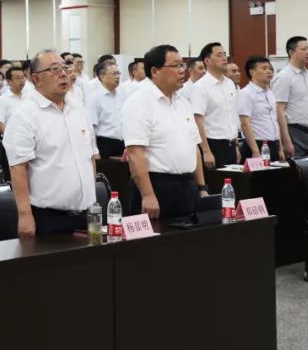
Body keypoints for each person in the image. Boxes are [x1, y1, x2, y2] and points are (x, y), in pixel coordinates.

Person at [3, 50, 97, 237]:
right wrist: (24, 215)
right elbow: (18, 168)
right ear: (36, 79)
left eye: (64, 68)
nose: (63, 74)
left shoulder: (78, 109)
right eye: (54, 69)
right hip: (48, 216)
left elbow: (91, 157)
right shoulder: (25, 115)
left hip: (86, 212)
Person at [122, 44, 207, 220]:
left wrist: (201, 188)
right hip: (157, 187)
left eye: (182, 65)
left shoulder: (182, 102)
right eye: (176, 65)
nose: (182, 70)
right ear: (155, 71)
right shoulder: (138, 102)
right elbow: (135, 153)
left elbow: (194, 147)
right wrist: (147, 195)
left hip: (187, 186)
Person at [190, 42, 240, 170]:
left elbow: (232, 117)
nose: (224, 58)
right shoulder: (200, 87)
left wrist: (235, 147)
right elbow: (197, 120)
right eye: (219, 55)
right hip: (213, 144)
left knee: (234, 181)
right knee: (217, 181)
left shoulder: (230, 84)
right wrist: (206, 151)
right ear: (207, 61)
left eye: (224, 54)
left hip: (231, 144)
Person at [272, 36, 308, 157]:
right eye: (304, 49)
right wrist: (286, 141)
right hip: (294, 131)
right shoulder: (284, 77)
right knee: (297, 166)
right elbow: (279, 110)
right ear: (291, 52)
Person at [238, 56, 284, 161]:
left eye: (270, 68)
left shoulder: (270, 93)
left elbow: (274, 122)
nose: (269, 71)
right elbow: (245, 123)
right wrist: (255, 151)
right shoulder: (246, 93)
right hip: (257, 144)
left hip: (273, 144)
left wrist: (280, 148)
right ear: (252, 72)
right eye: (264, 68)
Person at [88, 61, 125, 158]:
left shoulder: (122, 95)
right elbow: (91, 127)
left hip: (123, 143)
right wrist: (94, 151)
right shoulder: (95, 98)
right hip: (105, 144)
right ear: (102, 76)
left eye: (118, 73)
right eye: (114, 74)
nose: (117, 77)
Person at [0, 63, 28, 135]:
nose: (21, 80)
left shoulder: (28, 97)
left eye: (23, 77)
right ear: (9, 81)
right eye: (18, 78)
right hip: (12, 139)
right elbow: (0, 123)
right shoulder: (3, 99)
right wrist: (10, 138)